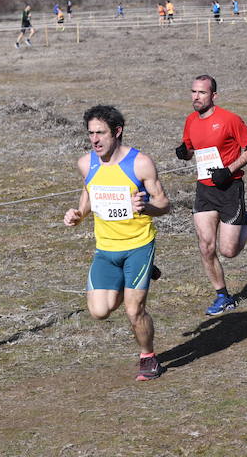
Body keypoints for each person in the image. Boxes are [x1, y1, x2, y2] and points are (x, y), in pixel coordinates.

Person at [63, 105, 171, 382]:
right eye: (91, 134)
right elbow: (88, 193)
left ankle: (148, 358)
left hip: (138, 244)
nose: (95, 140)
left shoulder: (140, 163)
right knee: (99, 311)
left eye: (101, 133)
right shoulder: (86, 163)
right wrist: (78, 214)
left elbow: (164, 204)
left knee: (134, 310)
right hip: (106, 248)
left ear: (117, 132)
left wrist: (146, 207)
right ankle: (139, 276)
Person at [175, 75, 247, 315]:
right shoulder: (191, 120)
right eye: (193, 92)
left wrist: (229, 170)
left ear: (213, 96)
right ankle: (223, 296)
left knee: (229, 251)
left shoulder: (229, 120)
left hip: (230, 188)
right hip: (204, 190)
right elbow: (190, 150)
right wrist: (183, 152)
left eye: (202, 93)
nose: (196, 97)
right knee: (206, 246)